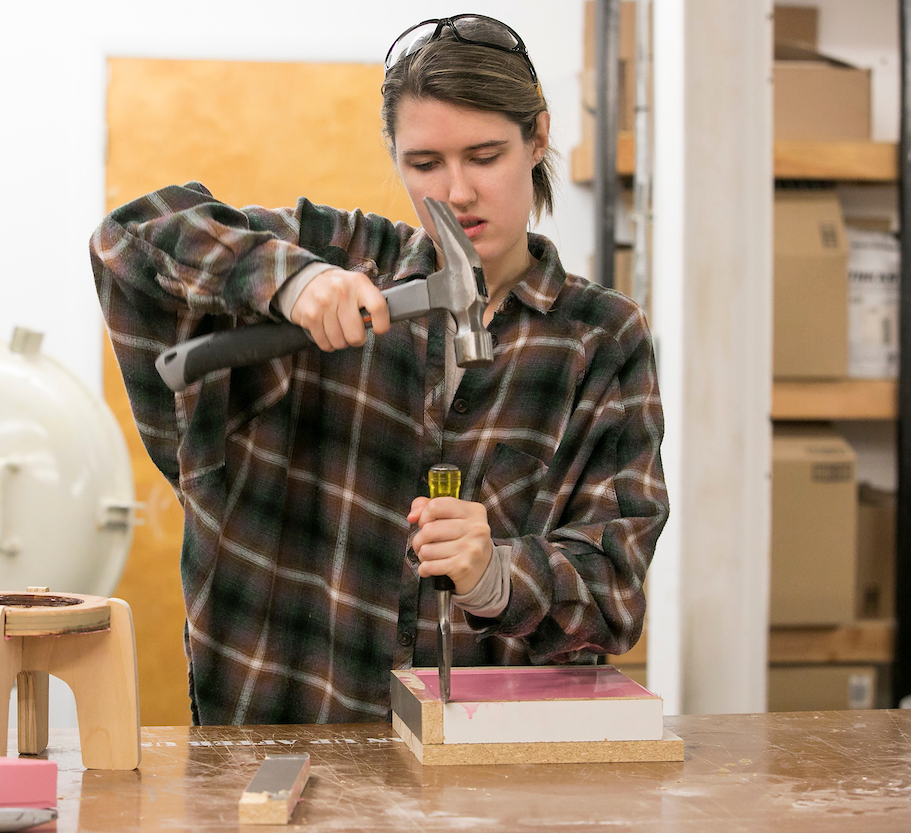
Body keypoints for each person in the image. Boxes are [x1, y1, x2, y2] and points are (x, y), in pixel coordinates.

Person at [90, 14, 668, 726]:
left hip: (489, 773)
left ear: (538, 138)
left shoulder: (603, 338)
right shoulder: (340, 252)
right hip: (286, 736)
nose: (455, 193)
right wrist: (283, 280)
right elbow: (128, 239)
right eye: (424, 164)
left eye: (484, 156)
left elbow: (614, 597)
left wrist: (495, 576)